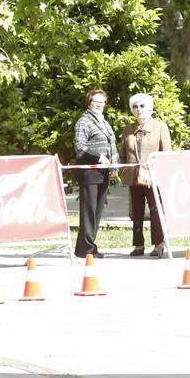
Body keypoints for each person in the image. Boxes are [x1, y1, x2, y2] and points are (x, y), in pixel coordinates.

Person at [119, 92, 172, 257]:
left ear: (149, 109)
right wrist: (123, 171)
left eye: (142, 106)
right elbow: (122, 154)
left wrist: (159, 174)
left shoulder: (160, 127)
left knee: (156, 209)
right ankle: (138, 245)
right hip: (134, 176)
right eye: (135, 106)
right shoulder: (128, 129)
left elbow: (166, 154)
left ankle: (158, 244)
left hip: (153, 177)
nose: (138, 109)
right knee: (136, 210)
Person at [74, 89, 117, 258]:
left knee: (97, 211)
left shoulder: (103, 121)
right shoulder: (84, 121)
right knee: (89, 211)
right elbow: (80, 148)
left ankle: (83, 248)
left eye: (102, 102)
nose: (99, 104)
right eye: (95, 101)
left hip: (103, 172)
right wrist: (99, 157)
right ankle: (88, 249)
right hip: (90, 173)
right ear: (89, 103)